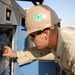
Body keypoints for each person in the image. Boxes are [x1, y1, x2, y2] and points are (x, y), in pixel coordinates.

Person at [2, 4, 75, 75]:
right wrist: (15, 54)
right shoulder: (54, 40)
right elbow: (37, 51)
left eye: (32, 36)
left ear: (45, 34)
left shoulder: (72, 51)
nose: (32, 40)